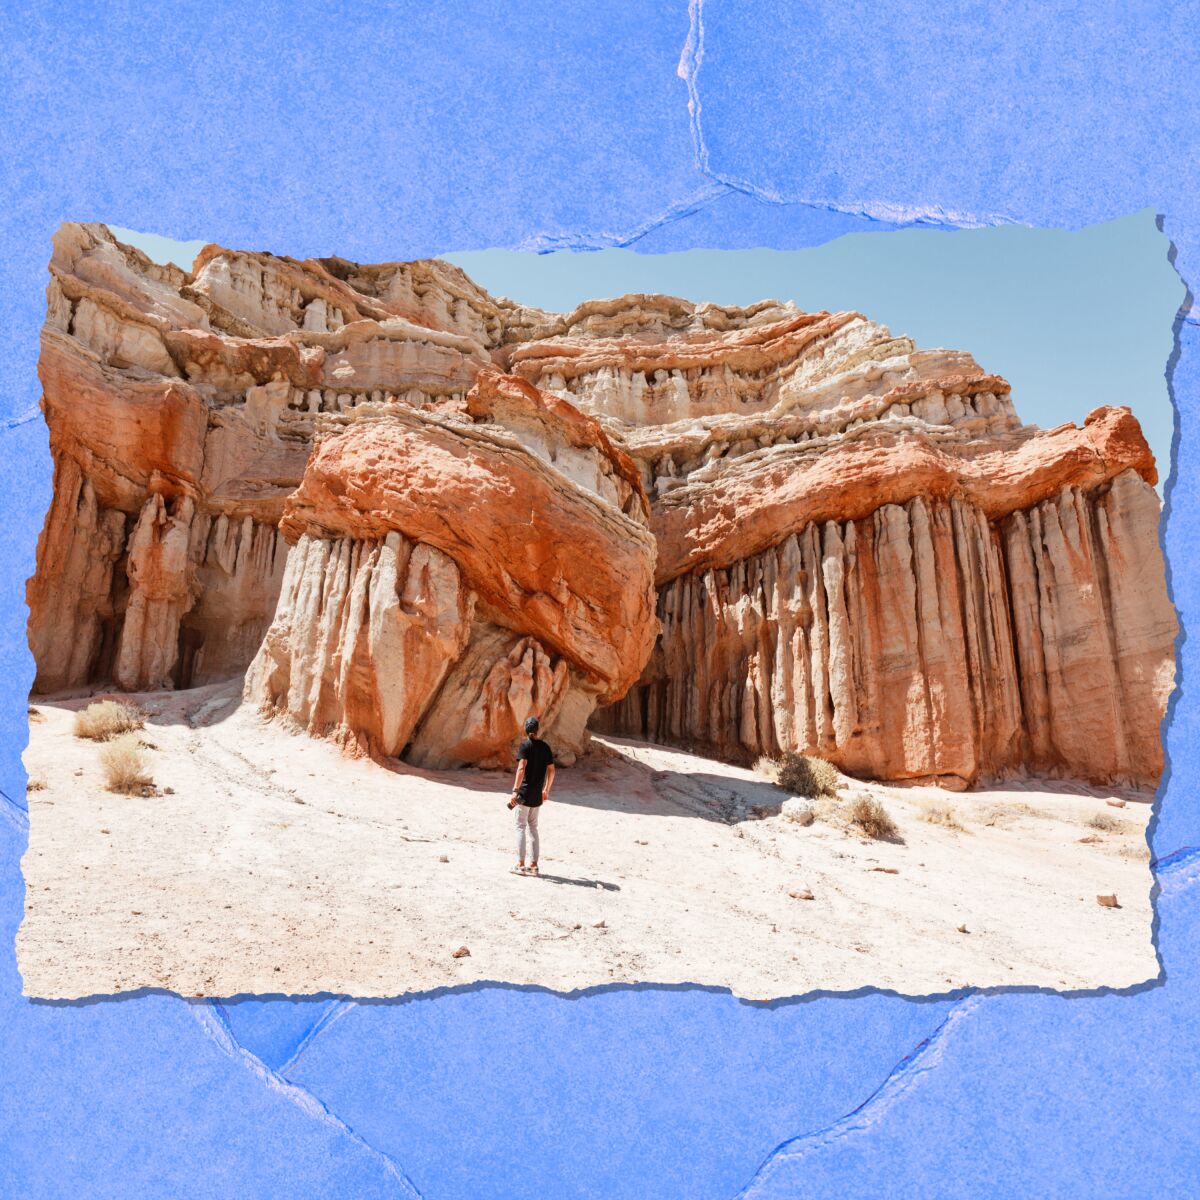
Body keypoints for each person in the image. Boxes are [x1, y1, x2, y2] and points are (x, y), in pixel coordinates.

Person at [507, 715, 555, 876]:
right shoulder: (545, 747)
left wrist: (515, 790)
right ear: (537, 729)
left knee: (520, 826)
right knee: (533, 827)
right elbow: (552, 770)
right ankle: (534, 865)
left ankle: (520, 865)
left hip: (525, 794)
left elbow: (521, 768)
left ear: (526, 730)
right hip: (537, 796)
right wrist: (546, 790)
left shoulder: (525, 746)